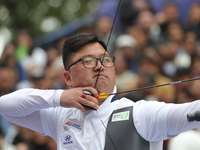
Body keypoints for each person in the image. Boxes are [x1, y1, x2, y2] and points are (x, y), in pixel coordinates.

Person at [1, 32, 200, 150]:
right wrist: (60, 97)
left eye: (105, 59)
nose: (99, 66)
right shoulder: (61, 117)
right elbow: (5, 106)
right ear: (68, 78)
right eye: (88, 61)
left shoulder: (140, 113)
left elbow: (192, 111)